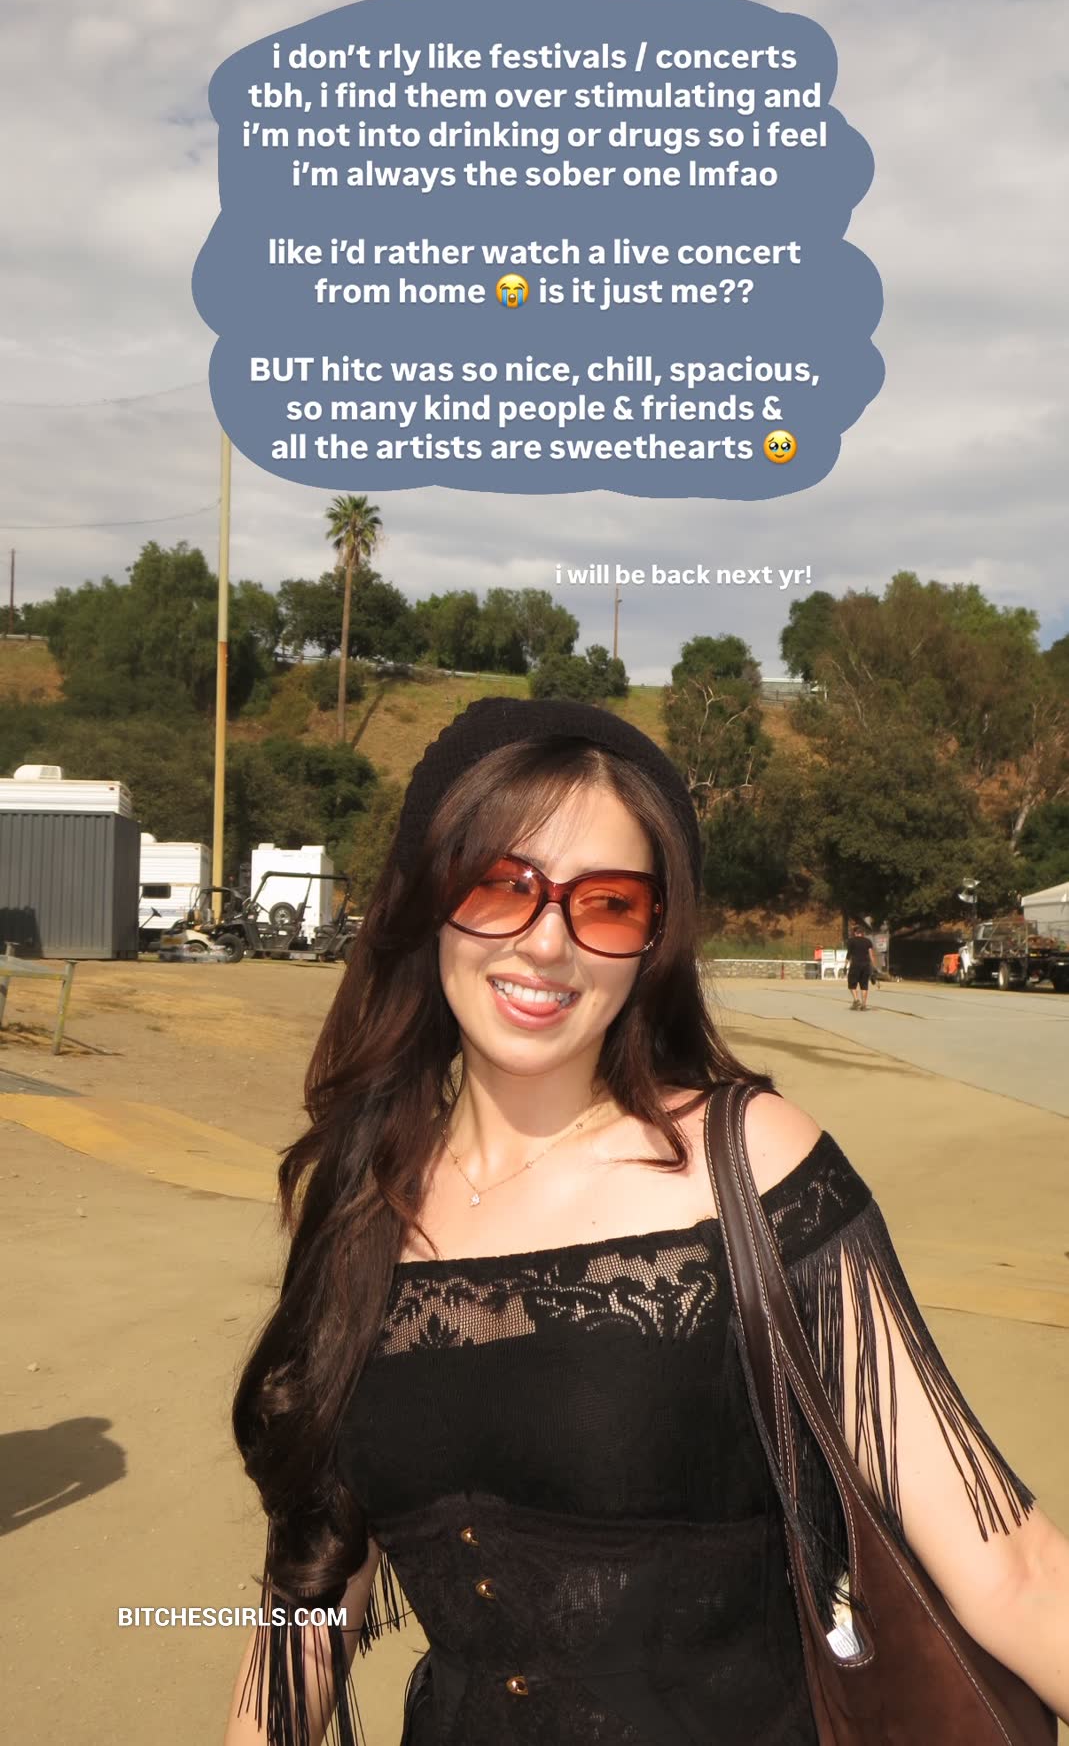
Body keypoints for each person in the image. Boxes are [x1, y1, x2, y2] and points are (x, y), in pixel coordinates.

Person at [223, 699, 1069, 1746]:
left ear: (652, 940)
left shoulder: (752, 1165)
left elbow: (1013, 1570)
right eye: (501, 884)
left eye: (609, 904)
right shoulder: (358, 1208)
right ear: (428, 898)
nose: (547, 942)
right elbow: (310, 1601)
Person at [846, 919, 875, 1009]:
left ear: (855, 933)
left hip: (855, 965)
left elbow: (849, 954)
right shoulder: (868, 941)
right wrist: (873, 969)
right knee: (864, 985)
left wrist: (845, 966)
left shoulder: (851, 941)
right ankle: (864, 1004)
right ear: (862, 933)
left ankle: (856, 1000)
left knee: (852, 984)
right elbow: (871, 955)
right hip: (866, 965)